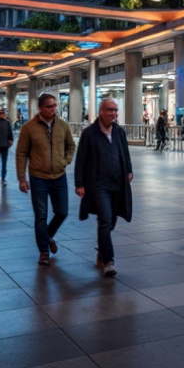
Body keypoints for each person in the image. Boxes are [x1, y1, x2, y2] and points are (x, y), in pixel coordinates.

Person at [74, 98, 133, 278]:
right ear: (101, 111)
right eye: (110, 110)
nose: (114, 114)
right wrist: (80, 184)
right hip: (99, 185)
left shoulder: (119, 132)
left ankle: (102, 249)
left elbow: (125, 153)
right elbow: (81, 160)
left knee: (110, 221)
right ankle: (108, 261)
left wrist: (129, 170)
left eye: (115, 110)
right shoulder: (89, 133)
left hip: (118, 184)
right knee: (105, 220)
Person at [15, 93, 75, 265]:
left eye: (55, 106)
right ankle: (44, 251)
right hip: (38, 178)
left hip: (59, 177)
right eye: (49, 106)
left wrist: (66, 160)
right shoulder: (29, 127)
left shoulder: (62, 125)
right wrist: (22, 178)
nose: (53, 109)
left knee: (62, 212)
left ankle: (47, 236)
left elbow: (71, 145)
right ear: (40, 108)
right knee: (41, 216)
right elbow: (21, 154)